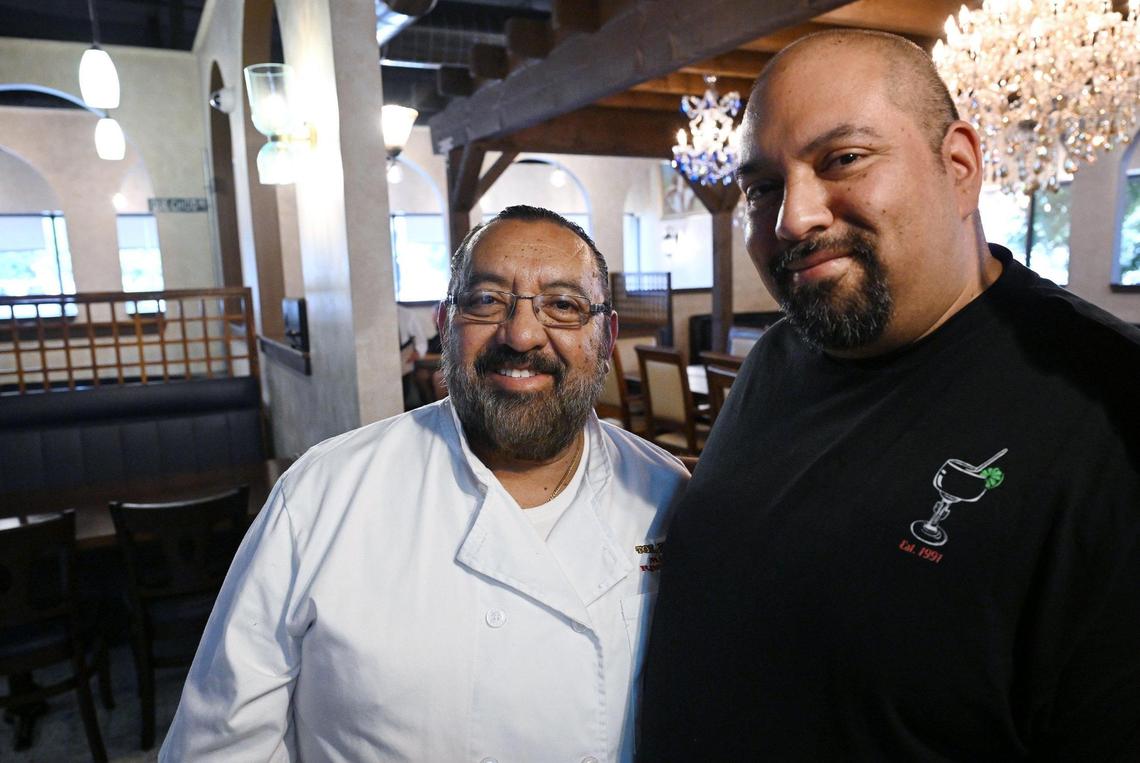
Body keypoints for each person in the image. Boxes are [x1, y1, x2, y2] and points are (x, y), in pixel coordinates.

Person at [639, 30, 1140, 760]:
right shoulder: (778, 357)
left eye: (842, 159)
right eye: (763, 188)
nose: (792, 219)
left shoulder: (1109, 405)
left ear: (960, 167)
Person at [161, 205, 687, 761]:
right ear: (444, 325)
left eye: (562, 305)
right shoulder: (320, 497)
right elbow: (217, 747)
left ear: (606, 338)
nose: (523, 333)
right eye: (486, 300)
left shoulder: (664, 493)